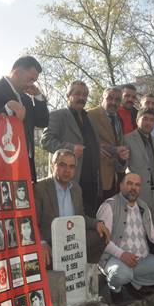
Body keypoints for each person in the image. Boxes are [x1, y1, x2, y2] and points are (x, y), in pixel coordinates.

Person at [97, 173, 154, 303]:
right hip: (115, 259)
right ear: (121, 186)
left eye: (137, 185)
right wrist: (122, 254)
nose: (133, 188)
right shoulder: (109, 206)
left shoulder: (143, 207)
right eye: (129, 183)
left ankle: (135, 283)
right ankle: (115, 290)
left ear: (140, 188)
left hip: (141, 260)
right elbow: (101, 240)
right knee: (121, 274)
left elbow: (152, 234)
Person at [34, 148, 110, 266]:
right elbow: (31, 222)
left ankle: (81, 267)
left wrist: (96, 223)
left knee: (101, 234)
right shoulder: (40, 188)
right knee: (44, 256)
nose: (67, 170)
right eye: (62, 165)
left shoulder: (76, 189)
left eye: (71, 166)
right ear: (52, 165)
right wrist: (41, 242)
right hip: (51, 241)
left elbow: (80, 217)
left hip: (72, 240)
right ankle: (61, 263)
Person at [0, 55, 49, 182]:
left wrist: (38, 96)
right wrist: (8, 109)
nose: (31, 84)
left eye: (34, 81)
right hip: (4, 165)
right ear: (17, 71)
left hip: (27, 166)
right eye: (30, 79)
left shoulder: (27, 99)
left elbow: (43, 121)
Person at [40, 80, 101, 216]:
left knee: (86, 225)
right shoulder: (57, 115)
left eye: (85, 95)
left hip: (92, 184)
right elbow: (46, 141)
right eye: (77, 94)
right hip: (68, 182)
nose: (82, 98)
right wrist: (71, 148)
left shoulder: (89, 119)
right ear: (68, 96)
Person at [123, 108, 154, 237]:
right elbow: (121, 168)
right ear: (137, 120)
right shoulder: (127, 139)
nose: (148, 123)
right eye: (145, 119)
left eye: (152, 120)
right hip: (139, 195)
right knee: (139, 235)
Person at [87, 87, 131, 201]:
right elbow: (85, 142)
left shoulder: (118, 119)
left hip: (116, 177)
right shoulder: (90, 115)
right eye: (110, 98)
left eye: (117, 100)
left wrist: (122, 156)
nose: (113, 102)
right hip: (97, 179)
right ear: (102, 98)